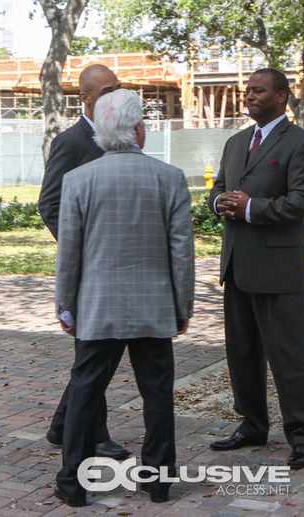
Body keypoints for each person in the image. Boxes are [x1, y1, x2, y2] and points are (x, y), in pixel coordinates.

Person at [53, 88, 195, 507]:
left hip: (98, 309)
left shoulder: (78, 180)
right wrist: (182, 306)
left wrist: (65, 303)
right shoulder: (169, 177)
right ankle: (158, 479)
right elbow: (181, 252)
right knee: (157, 392)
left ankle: (73, 482)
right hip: (154, 307)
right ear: (137, 129)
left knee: (85, 391)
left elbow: (69, 252)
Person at [208, 68, 304, 470]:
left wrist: (253, 208)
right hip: (237, 265)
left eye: (258, 91)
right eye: (248, 90)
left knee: (290, 356)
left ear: (282, 97)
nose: (249, 96)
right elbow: (218, 187)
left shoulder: (301, 143)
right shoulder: (236, 142)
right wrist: (219, 202)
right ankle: (252, 425)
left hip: (279, 269)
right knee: (242, 353)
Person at [37, 64, 130, 460]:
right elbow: (50, 203)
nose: (116, 95)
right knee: (95, 354)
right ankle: (94, 434)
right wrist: (83, 249)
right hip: (91, 270)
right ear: (85, 99)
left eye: (119, 88)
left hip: (123, 269)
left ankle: (64, 424)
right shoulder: (72, 142)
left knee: (103, 353)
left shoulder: (124, 136)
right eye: (107, 90)